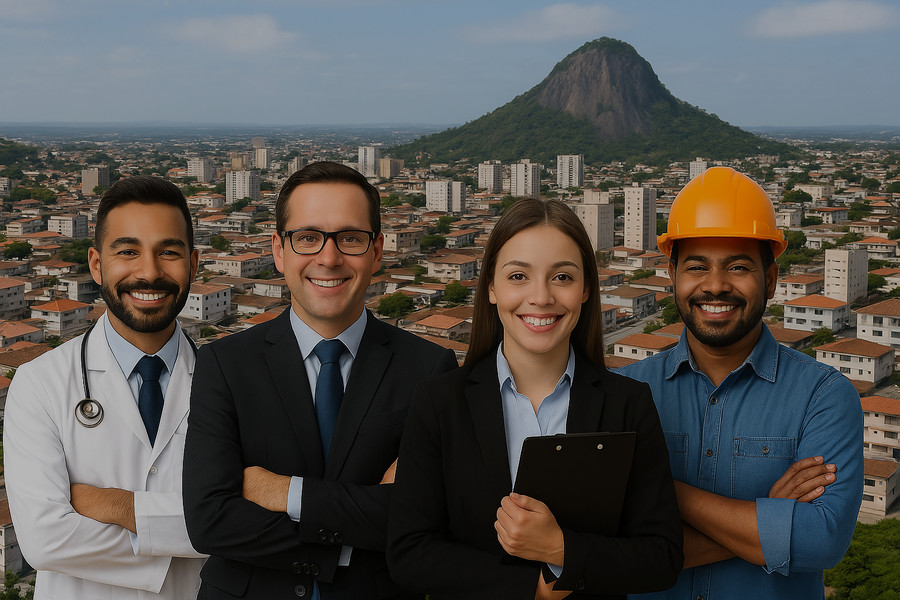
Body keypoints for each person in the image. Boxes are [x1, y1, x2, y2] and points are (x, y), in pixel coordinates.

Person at [183, 161, 458, 599]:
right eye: (307, 238)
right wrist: (350, 536)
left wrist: (285, 493)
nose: (328, 258)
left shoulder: (428, 369)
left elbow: (425, 519)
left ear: (377, 250)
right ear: (278, 249)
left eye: (350, 238)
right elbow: (210, 522)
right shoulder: (225, 364)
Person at [387, 198, 683, 599]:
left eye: (562, 277)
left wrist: (561, 550)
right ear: (490, 287)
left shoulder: (628, 403)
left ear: (586, 290)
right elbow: (409, 552)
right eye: (518, 277)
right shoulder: (440, 402)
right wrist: (532, 589)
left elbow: (661, 557)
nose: (541, 297)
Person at [619, 167, 863, 600]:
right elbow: (607, 547)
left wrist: (657, 485)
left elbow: (820, 541)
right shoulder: (624, 391)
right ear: (672, 276)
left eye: (738, 266)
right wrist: (767, 517)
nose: (715, 285)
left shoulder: (823, 396)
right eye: (697, 267)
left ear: (769, 278)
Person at [3, 176, 206, 599]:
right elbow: (45, 540)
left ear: (193, 263)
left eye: (168, 252)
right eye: (128, 251)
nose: (149, 272)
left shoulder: (232, 383)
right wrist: (205, 529)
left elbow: (261, 524)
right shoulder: (40, 384)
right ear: (96, 264)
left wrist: (117, 507)